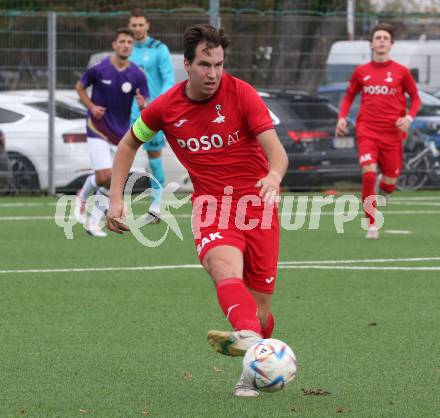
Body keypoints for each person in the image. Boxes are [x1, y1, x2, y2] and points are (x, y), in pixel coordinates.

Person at [106, 24, 288, 396]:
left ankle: (254, 353)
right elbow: (127, 145)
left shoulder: (243, 94)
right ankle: (252, 343)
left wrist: (273, 175)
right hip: (212, 208)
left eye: (219, 64)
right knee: (222, 268)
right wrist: (115, 199)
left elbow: (277, 152)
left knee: (261, 309)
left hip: (258, 207)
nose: (213, 73)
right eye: (205, 64)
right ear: (187, 65)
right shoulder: (166, 107)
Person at [336, 23, 421, 239]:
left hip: (392, 134)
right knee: (369, 174)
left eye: (385, 38)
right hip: (367, 130)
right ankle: (371, 224)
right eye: (378, 37)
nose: (381, 41)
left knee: (389, 183)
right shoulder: (361, 71)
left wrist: (409, 118)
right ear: (371, 43)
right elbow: (348, 96)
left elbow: (416, 98)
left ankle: (385, 189)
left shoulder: (401, 71)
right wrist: (342, 118)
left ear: (391, 44)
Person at [74, 28, 148, 236]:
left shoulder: (137, 74)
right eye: (122, 41)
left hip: (121, 134)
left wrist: (143, 105)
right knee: (105, 175)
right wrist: (91, 107)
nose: (126, 45)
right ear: (114, 45)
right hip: (97, 129)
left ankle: (93, 222)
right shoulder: (99, 68)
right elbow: (79, 87)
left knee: (115, 180)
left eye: (129, 42)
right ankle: (82, 197)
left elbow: (146, 102)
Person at [128, 8, 175, 223]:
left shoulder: (159, 49)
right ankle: (110, 204)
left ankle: (156, 207)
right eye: (134, 25)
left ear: (147, 26)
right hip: (127, 113)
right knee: (118, 156)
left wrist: (157, 105)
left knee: (154, 160)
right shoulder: (126, 49)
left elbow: (168, 80)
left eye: (140, 25)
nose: (137, 29)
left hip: (151, 114)